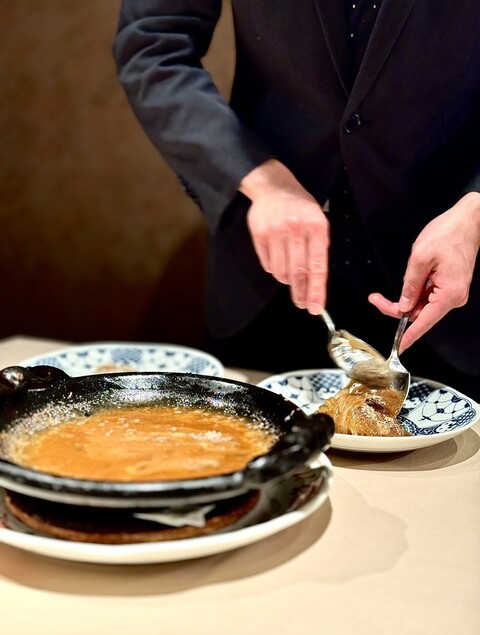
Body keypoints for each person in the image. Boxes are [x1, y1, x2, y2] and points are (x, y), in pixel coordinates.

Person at [113, 1, 480, 400]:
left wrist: (475, 210)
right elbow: (153, 46)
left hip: (453, 287)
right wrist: (261, 179)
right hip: (264, 280)